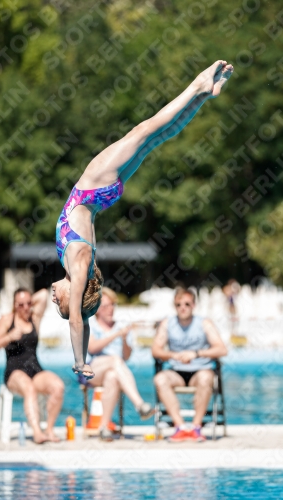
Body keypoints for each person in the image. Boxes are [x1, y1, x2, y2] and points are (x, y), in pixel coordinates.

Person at [52, 60, 234, 379]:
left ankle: (206, 95)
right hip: (92, 187)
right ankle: (197, 86)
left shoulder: (77, 265)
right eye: (61, 303)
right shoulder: (78, 265)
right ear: (75, 295)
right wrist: (80, 362)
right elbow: (79, 320)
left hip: (102, 195)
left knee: (154, 139)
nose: (55, 298)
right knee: (146, 130)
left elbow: (82, 318)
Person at [152, 287, 228, 442]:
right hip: (176, 372)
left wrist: (196, 354)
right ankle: (180, 427)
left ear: (193, 305)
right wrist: (173, 355)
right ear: (175, 306)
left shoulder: (204, 323)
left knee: (206, 378)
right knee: (159, 379)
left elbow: (222, 349)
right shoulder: (168, 323)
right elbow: (155, 350)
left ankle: (196, 427)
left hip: (200, 370)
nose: (183, 308)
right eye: (179, 305)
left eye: (187, 304)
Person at [0, 288, 64, 444]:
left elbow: (44, 294)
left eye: (28, 303)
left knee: (57, 386)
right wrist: (9, 336)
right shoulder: (7, 320)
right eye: (21, 304)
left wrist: (27, 300)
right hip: (14, 372)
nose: (25, 307)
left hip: (35, 369)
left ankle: (49, 430)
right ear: (15, 305)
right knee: (28, 388)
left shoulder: (34, 318)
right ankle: (37, 433)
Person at [87, 287, 154, 441]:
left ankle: (103, 428)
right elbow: (92, 348)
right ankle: (139, 404)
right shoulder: (91, 326)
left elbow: (127, 356)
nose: (110, 309)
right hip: (93, 368)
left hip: (115, 369)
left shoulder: (121, 326)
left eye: (112, 305)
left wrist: (124, 339)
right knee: (115, 361)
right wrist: (116, 334)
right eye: (105, 306)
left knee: (112, 376)